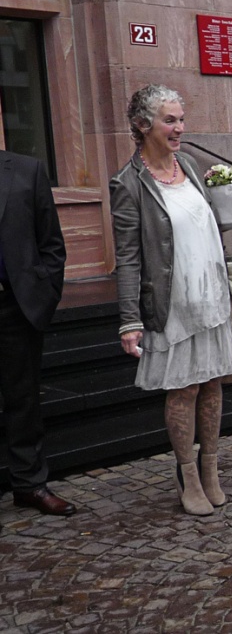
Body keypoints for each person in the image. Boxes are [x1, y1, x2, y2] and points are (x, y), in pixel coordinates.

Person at [111, 84, 232, 515]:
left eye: (181, 119)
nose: (179, 128)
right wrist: (129, 320)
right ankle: (187, 473)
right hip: (173, 301)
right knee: (184, 390)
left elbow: (207, 227)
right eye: (169, 120)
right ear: (143, 125)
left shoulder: (193, 167)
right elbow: (127, 258)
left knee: (214, 385)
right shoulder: (129, 184)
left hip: (211, 295)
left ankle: (211, 467)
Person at [0, 150, 75, 516]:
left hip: (16, 307)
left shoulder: (26, 171)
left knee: (23, 400)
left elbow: (51, 243)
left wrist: (44, 297)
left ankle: (29, 485)